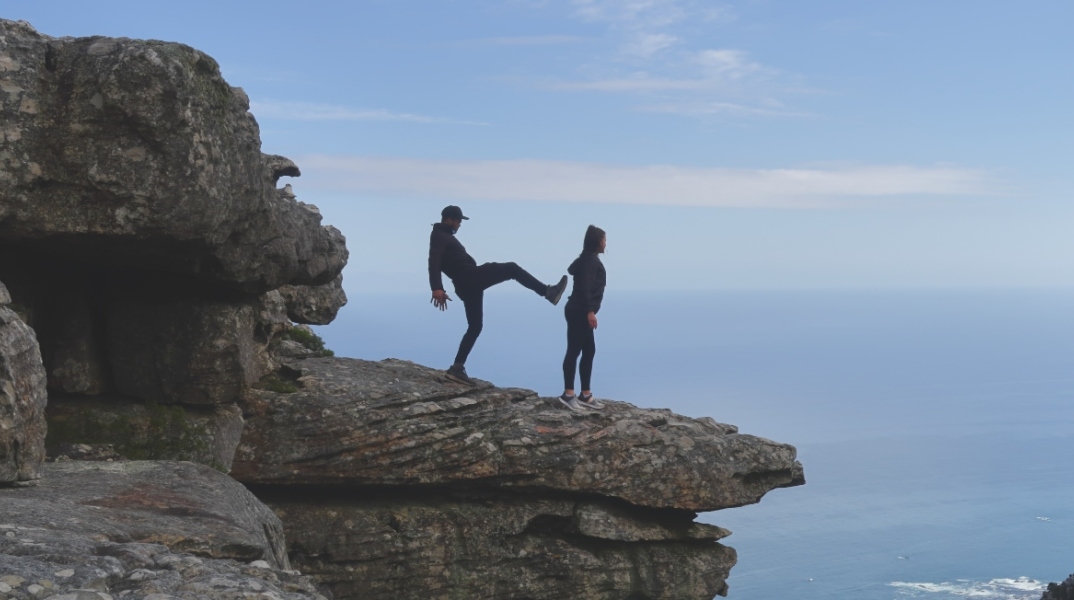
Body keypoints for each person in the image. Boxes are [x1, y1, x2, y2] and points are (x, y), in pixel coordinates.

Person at [429, 205, 568, 385]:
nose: (460, 225)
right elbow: (433, 262)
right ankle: (548, 292)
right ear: (449, 220)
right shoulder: (440, 236)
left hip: (466, 285)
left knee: (475, 326)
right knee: (511, 268)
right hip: (470, 278)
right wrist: (436, 287)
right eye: (458, 221)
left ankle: (457, 368)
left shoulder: (442, 236)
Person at [559, 225, 607, 411]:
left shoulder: (586, 259)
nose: (605, 243)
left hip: (577, 310)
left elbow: (574, 271)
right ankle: (568, 394)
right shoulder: (591, 262)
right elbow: (585, 287)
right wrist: (590, 311)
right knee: (574, 351)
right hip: (580, 311)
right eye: (604, 239)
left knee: (589, 350)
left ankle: (585, 395)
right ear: (597, 242)